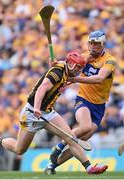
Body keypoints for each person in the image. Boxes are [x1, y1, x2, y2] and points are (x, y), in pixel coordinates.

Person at [0, 51, 106, 174]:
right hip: (32, 112)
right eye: (76, 67)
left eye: (79, 68)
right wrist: (37, 108)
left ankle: (89, 167)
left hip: (48, 113)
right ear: (69, 64)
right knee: (19, 149)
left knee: (70, 137)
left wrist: (55, 62)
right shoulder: (57, 72)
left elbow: (62, 63)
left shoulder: (65, 70)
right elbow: (42, 88)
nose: (77, 70)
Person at [45, 30, 115, 174]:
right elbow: (69, 66)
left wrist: (75, 79)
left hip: (99, 106)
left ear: (103, 45)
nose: (93, 46)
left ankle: (52, 166)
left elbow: (99, 79)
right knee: (85, 126)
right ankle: (59, 147)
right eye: (91, 43)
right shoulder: (84, 57)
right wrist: (56, 63)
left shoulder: (109, 61)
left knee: (79, 141)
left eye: (97, 44)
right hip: (83, 100)